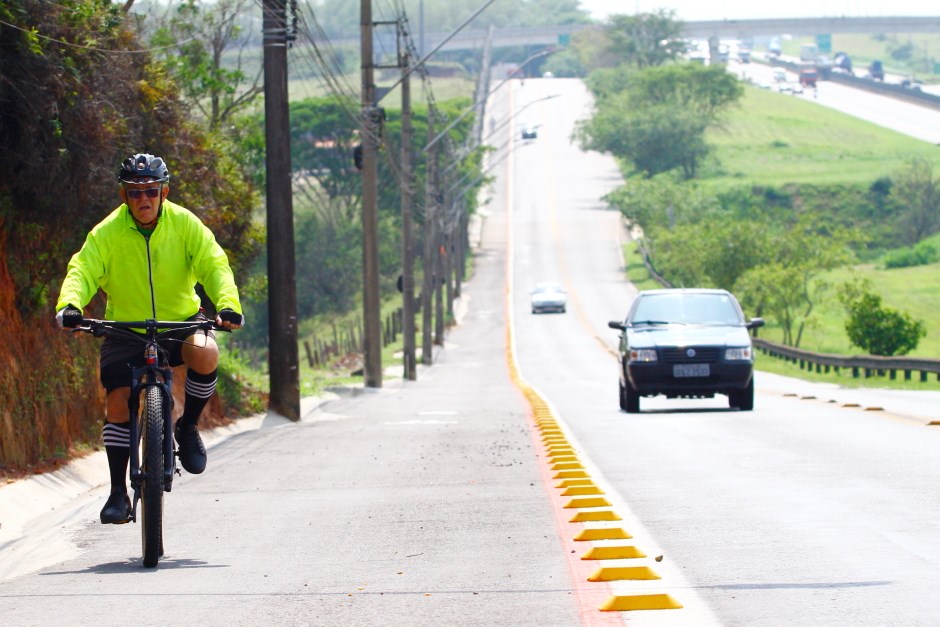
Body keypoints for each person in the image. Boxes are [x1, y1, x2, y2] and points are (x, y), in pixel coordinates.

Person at [55, 153, 244, 525]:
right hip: (126, 329)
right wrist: (71, 305)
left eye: (151, 192)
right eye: (135, 192)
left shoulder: (186, 224)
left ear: (164, 192)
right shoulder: (107, 232)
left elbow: (214, 264)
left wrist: (228, 305)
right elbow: (83, 268)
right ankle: (116, 493)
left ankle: (187, 426)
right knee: (118, 399)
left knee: (206, 353)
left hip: (178, 323)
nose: (144, 199)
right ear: (125, 196)